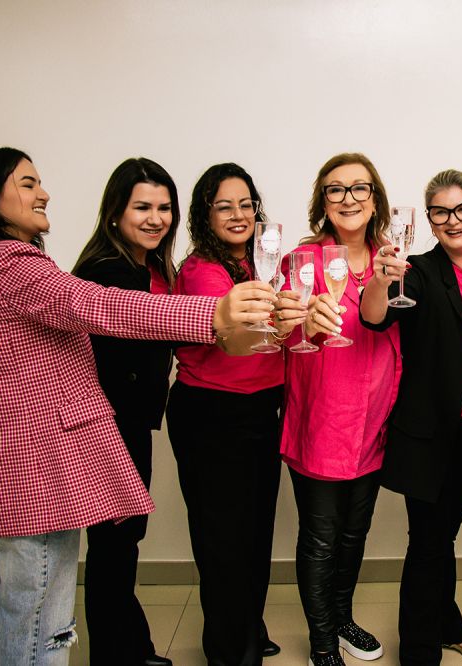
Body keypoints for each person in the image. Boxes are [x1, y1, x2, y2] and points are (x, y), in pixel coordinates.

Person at [0, 147, 275, 666]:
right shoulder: (10, 265)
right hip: (40, 463)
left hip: (26, 460)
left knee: (11, 593)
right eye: (28, 183)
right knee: (39, 620)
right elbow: (98, 304)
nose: (43, 193)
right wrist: (213, 313)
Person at [359, 170, 462, 666]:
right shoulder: (420, 271)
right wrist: (380, 280)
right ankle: (419, 651)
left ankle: (448, 626)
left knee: (442, 536)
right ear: (429, 220)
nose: (453, 220)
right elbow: (374, 318)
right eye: (441, 212)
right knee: (428, 542)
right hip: (431, 432)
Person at [165, 162, 304, 666]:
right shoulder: (202, 270)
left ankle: (248, 626)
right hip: (212, 414)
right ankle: (229, 651)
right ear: (205, 215)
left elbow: (286, 325)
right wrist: (286, 323)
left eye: (246, 204)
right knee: (223, 540)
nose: (238, 214)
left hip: (261, 409)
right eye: (224, 206)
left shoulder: (264, 263)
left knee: (256, 532)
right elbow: (236, 341)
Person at [274, 152, 401, 666]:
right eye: (336, 189)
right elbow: (277, 335)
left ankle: (342, 618)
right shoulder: (300, 261)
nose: (349, 199)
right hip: (322, 420)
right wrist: (300, 324)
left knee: (354, 534)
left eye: (359, 188)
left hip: (374, 421)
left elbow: (393, 326)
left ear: (375, 199)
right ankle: (323, 641)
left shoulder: (392, 260)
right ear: (322, 202)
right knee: (321, 539)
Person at [72, 157, 182, 666]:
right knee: (114, 545)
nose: (156, 218)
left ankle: (129, 649)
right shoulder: (106, 272)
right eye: (142, 207)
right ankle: (117, 656)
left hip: (130, 421)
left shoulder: (148, 266)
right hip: (106, 425)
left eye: (164, 207)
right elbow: (146, 328)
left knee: (121, 542)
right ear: (115, 212)